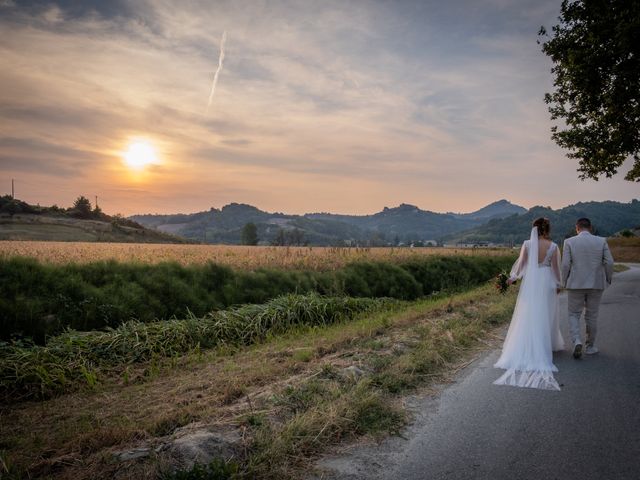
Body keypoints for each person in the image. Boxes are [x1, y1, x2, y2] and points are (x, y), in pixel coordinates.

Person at [493, 217, 564, 391]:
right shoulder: (553, 246)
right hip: (546, 281)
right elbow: (556, 268)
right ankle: (545, 344)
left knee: (529, 313)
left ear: (534, 229)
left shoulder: (527, 244)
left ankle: (528, 345)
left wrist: (512, 278)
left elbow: (521, 265)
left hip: (532, 282)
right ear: (547, 229)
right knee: (546, 313)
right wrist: (559, 284)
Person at [561, 218, 614, 358]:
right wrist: (608, 278)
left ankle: (576, 340)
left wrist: (563, 281)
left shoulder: (569, 242)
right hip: (596, 284)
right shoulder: (601, 241)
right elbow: (609, 262)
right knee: (592, 316)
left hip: (575, 284)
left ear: (576, 228)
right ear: (590, 227)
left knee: (573, 314)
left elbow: (565, 264)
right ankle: (590, 347)